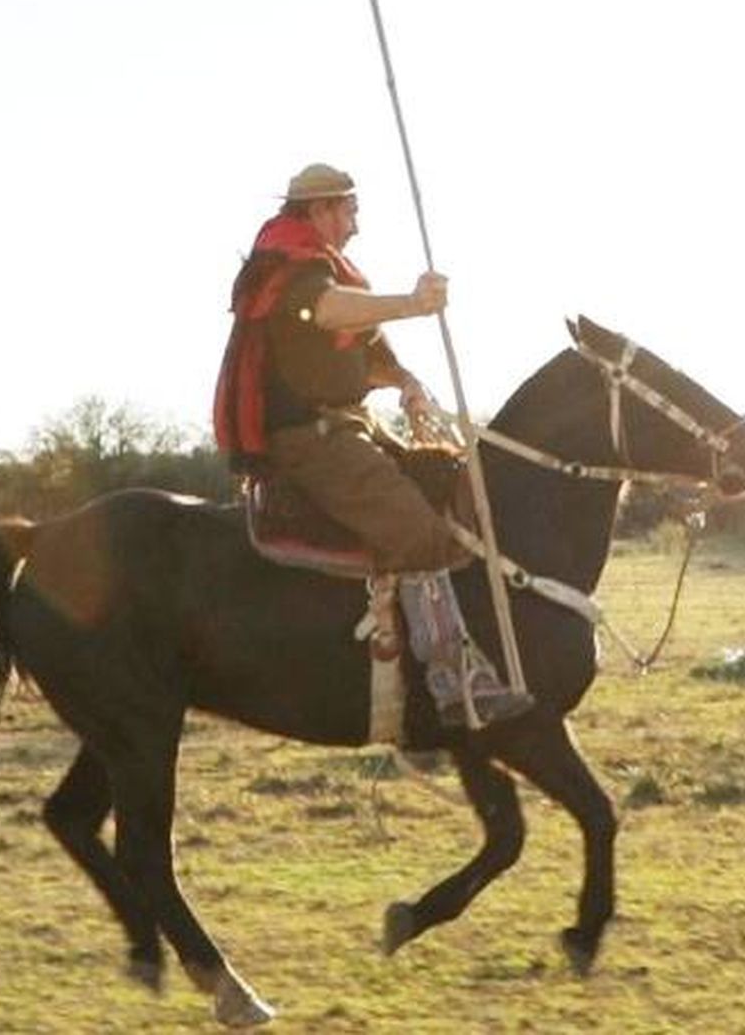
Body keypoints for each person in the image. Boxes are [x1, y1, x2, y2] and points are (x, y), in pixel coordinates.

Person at [214, 162, 531, 728]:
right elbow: (332, 310)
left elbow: (368, 347)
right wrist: (412, 302)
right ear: (320, 211)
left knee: (445, 486)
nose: (356, 225)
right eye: (350, 211)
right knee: (420, 533)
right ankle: (449, 682)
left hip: (351, 427)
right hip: (313, 442)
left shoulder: (324, 268)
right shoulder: (288, 270)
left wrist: (406, 382)